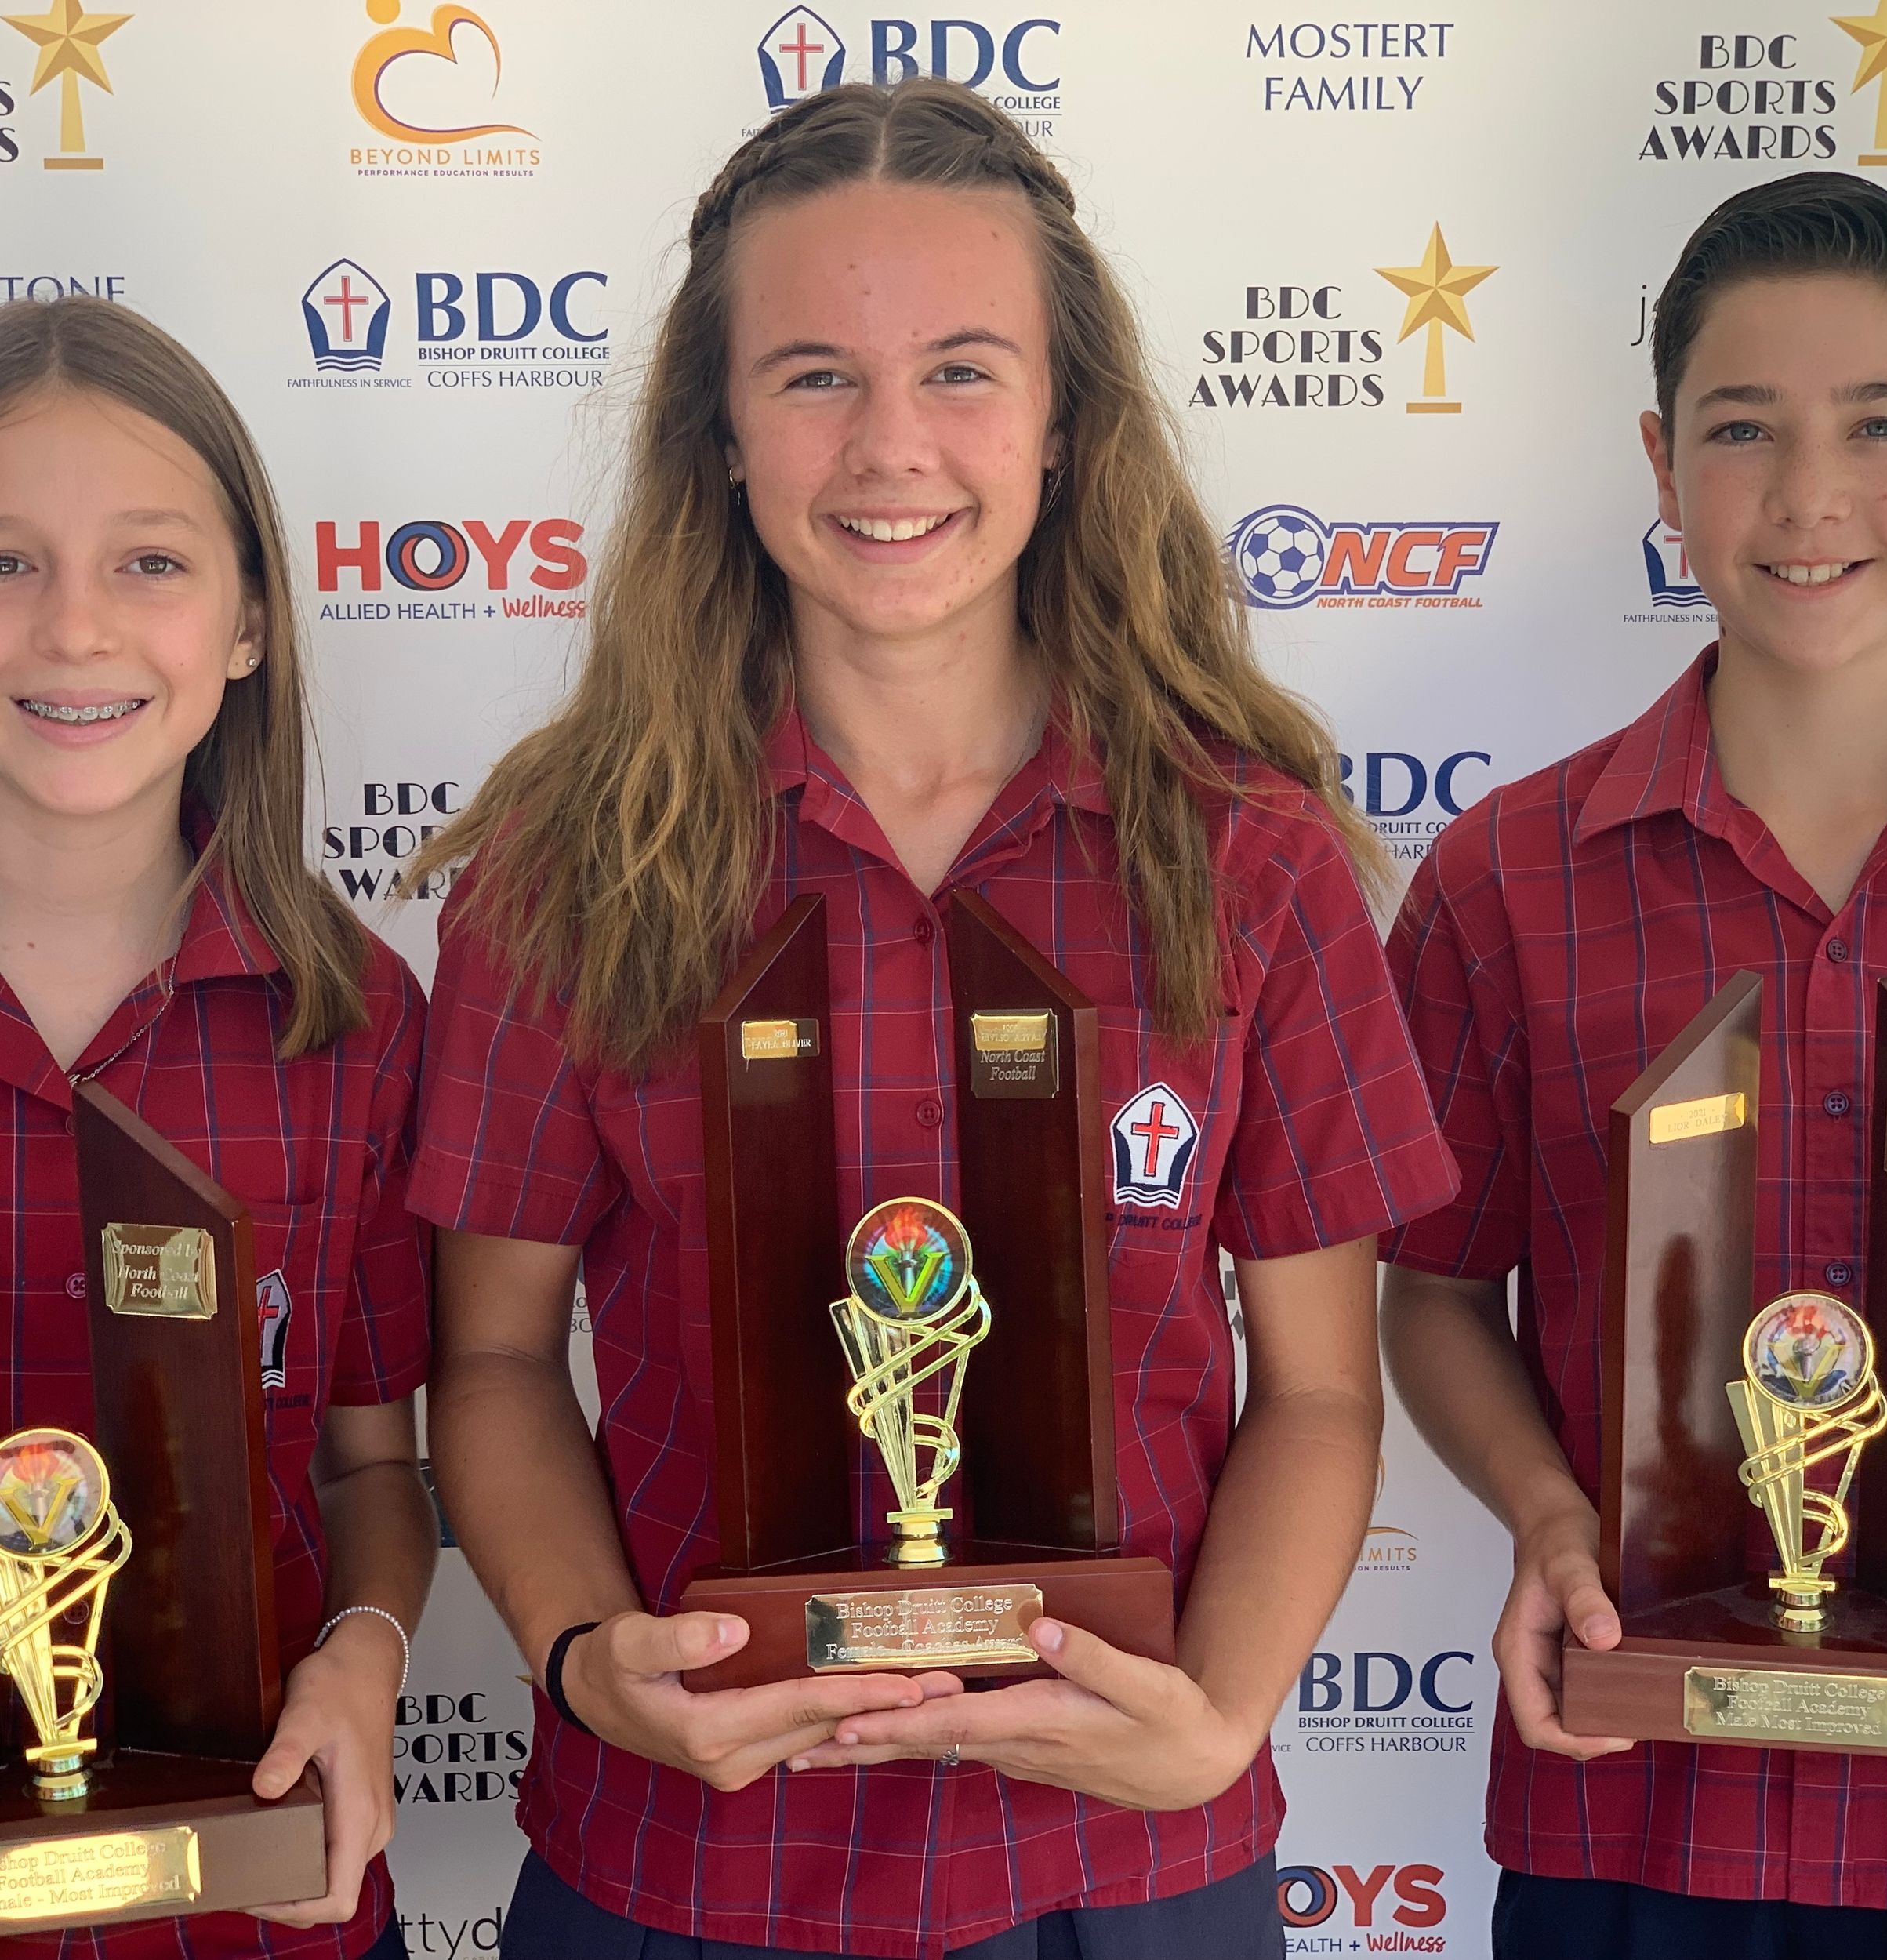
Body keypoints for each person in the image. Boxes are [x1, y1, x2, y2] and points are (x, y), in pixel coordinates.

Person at [406, 75, 1458, 1960]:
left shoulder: (1252, 859)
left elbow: (1316, 1388)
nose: (890, 446)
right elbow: (489, 1361)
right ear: (719, 431)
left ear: (1063, 421)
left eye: (961, 370)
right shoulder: (565, 867)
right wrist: (578, 1657)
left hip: (1124, 1864)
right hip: (692, 1862)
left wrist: (1215, 1715)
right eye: (813, 374)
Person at [1381, 172, 1887, 1958]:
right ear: (1660, 463)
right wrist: (1546, 1510)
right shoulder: (1504, 878)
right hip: (1629, 1806)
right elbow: (1430, 1289)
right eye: (1740, 426)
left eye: (1880, 422)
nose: (1808, 495)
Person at [0, 297, 437, 1958]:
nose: (73, 628)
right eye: (6, 561)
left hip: (257, 1913)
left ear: (249, 620)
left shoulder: (352, 1019)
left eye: (150, 562)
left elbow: (370, 1464)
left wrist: (364, 1657)